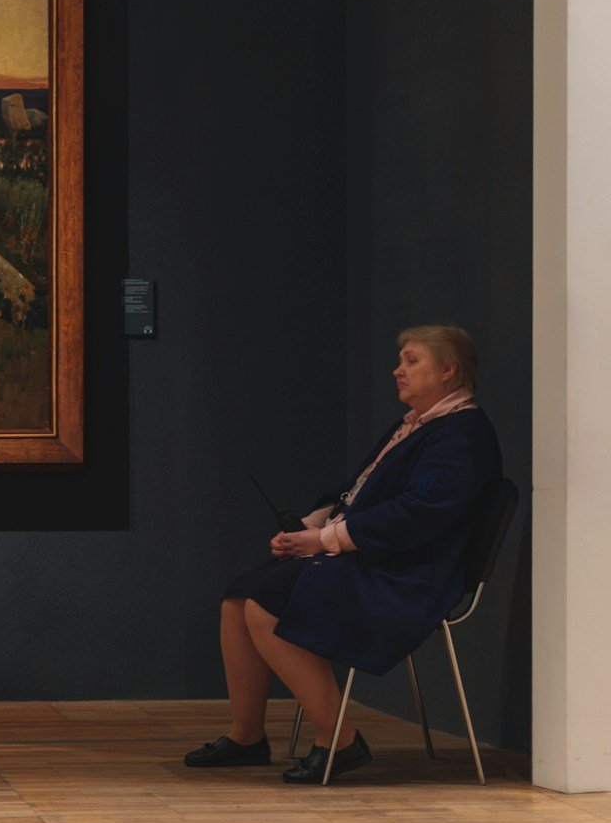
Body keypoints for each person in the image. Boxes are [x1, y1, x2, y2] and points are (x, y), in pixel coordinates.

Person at [186, 325, 501, 784]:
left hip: (409, 572)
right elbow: (359, 492)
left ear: (449, 370)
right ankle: (247, 737)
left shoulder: (462, 433)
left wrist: (325, 542)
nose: (398, 370)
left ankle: (340, 740)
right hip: (377, 556)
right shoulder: (416, 424)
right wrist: (313, 525)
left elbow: (418, 516)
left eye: (412, 360)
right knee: (239, 599)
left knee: (266, 603)